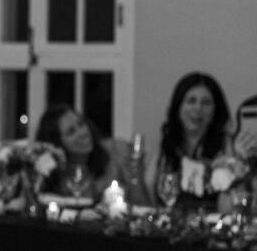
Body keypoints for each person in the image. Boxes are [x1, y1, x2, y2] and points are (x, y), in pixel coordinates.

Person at [144, 72, 231, 211]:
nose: (198, 109)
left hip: (212, 228)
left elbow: (229, 209)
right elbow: (148, 192)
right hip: (168, 227)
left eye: (206, 103)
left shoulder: (226, 146)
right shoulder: (164, 145)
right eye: (191, 101)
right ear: (178, 106)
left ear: (216, 110)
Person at [34, 104, 131, 203]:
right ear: (58, 143)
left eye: (81, 124)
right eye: (71, 132)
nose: (83, 133)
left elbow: (143, 204)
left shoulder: (116, 151)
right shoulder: (55, 173)